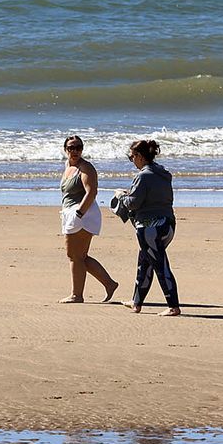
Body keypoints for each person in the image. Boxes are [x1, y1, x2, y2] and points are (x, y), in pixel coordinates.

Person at [110, 138, 181, 316]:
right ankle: (136, 302)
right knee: (144, 263)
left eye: (132, 156)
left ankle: (173, 306)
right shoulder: (163, 173)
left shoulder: (143, 176)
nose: (132, 160)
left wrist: (120, 196)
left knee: (160, 266)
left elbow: (133, 203)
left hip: (150, 228)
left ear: (140, 156)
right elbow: (154, 198)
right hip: (168, 224)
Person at [57, 135, 118, 303]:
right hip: (72, 213)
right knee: (79, 256)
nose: (75, 151)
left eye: (78, 147)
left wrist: (78, 214)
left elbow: (91, 192)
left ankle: (77, 295)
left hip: (83, 214)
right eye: (71, 148)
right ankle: (109, 284)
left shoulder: (85, 168)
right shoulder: (68, 165)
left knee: (75, 256)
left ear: (82, 149)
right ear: (65, 150)